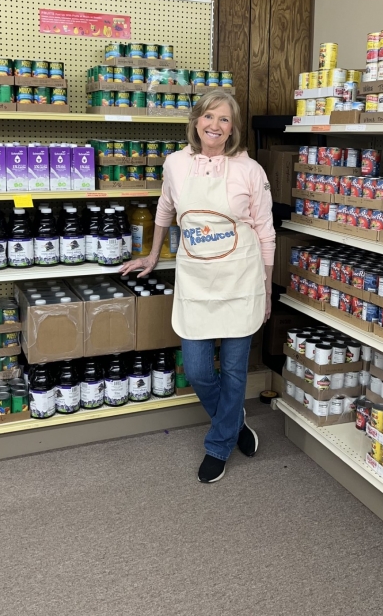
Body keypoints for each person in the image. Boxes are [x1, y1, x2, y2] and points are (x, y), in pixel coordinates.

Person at [120, 89, 275, 483]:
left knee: (236, 371)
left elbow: (265, 232)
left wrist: (266, 287)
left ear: (233, 127)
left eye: (224, 119)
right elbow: (165, 211)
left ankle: (219, 445)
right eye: (209, 117)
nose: (215, 126)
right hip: (197, 280)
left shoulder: (250, 170)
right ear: (195, 121)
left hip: (242, 278)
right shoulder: (175, 164)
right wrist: (153, 257)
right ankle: (234, 421)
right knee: (198, 369)